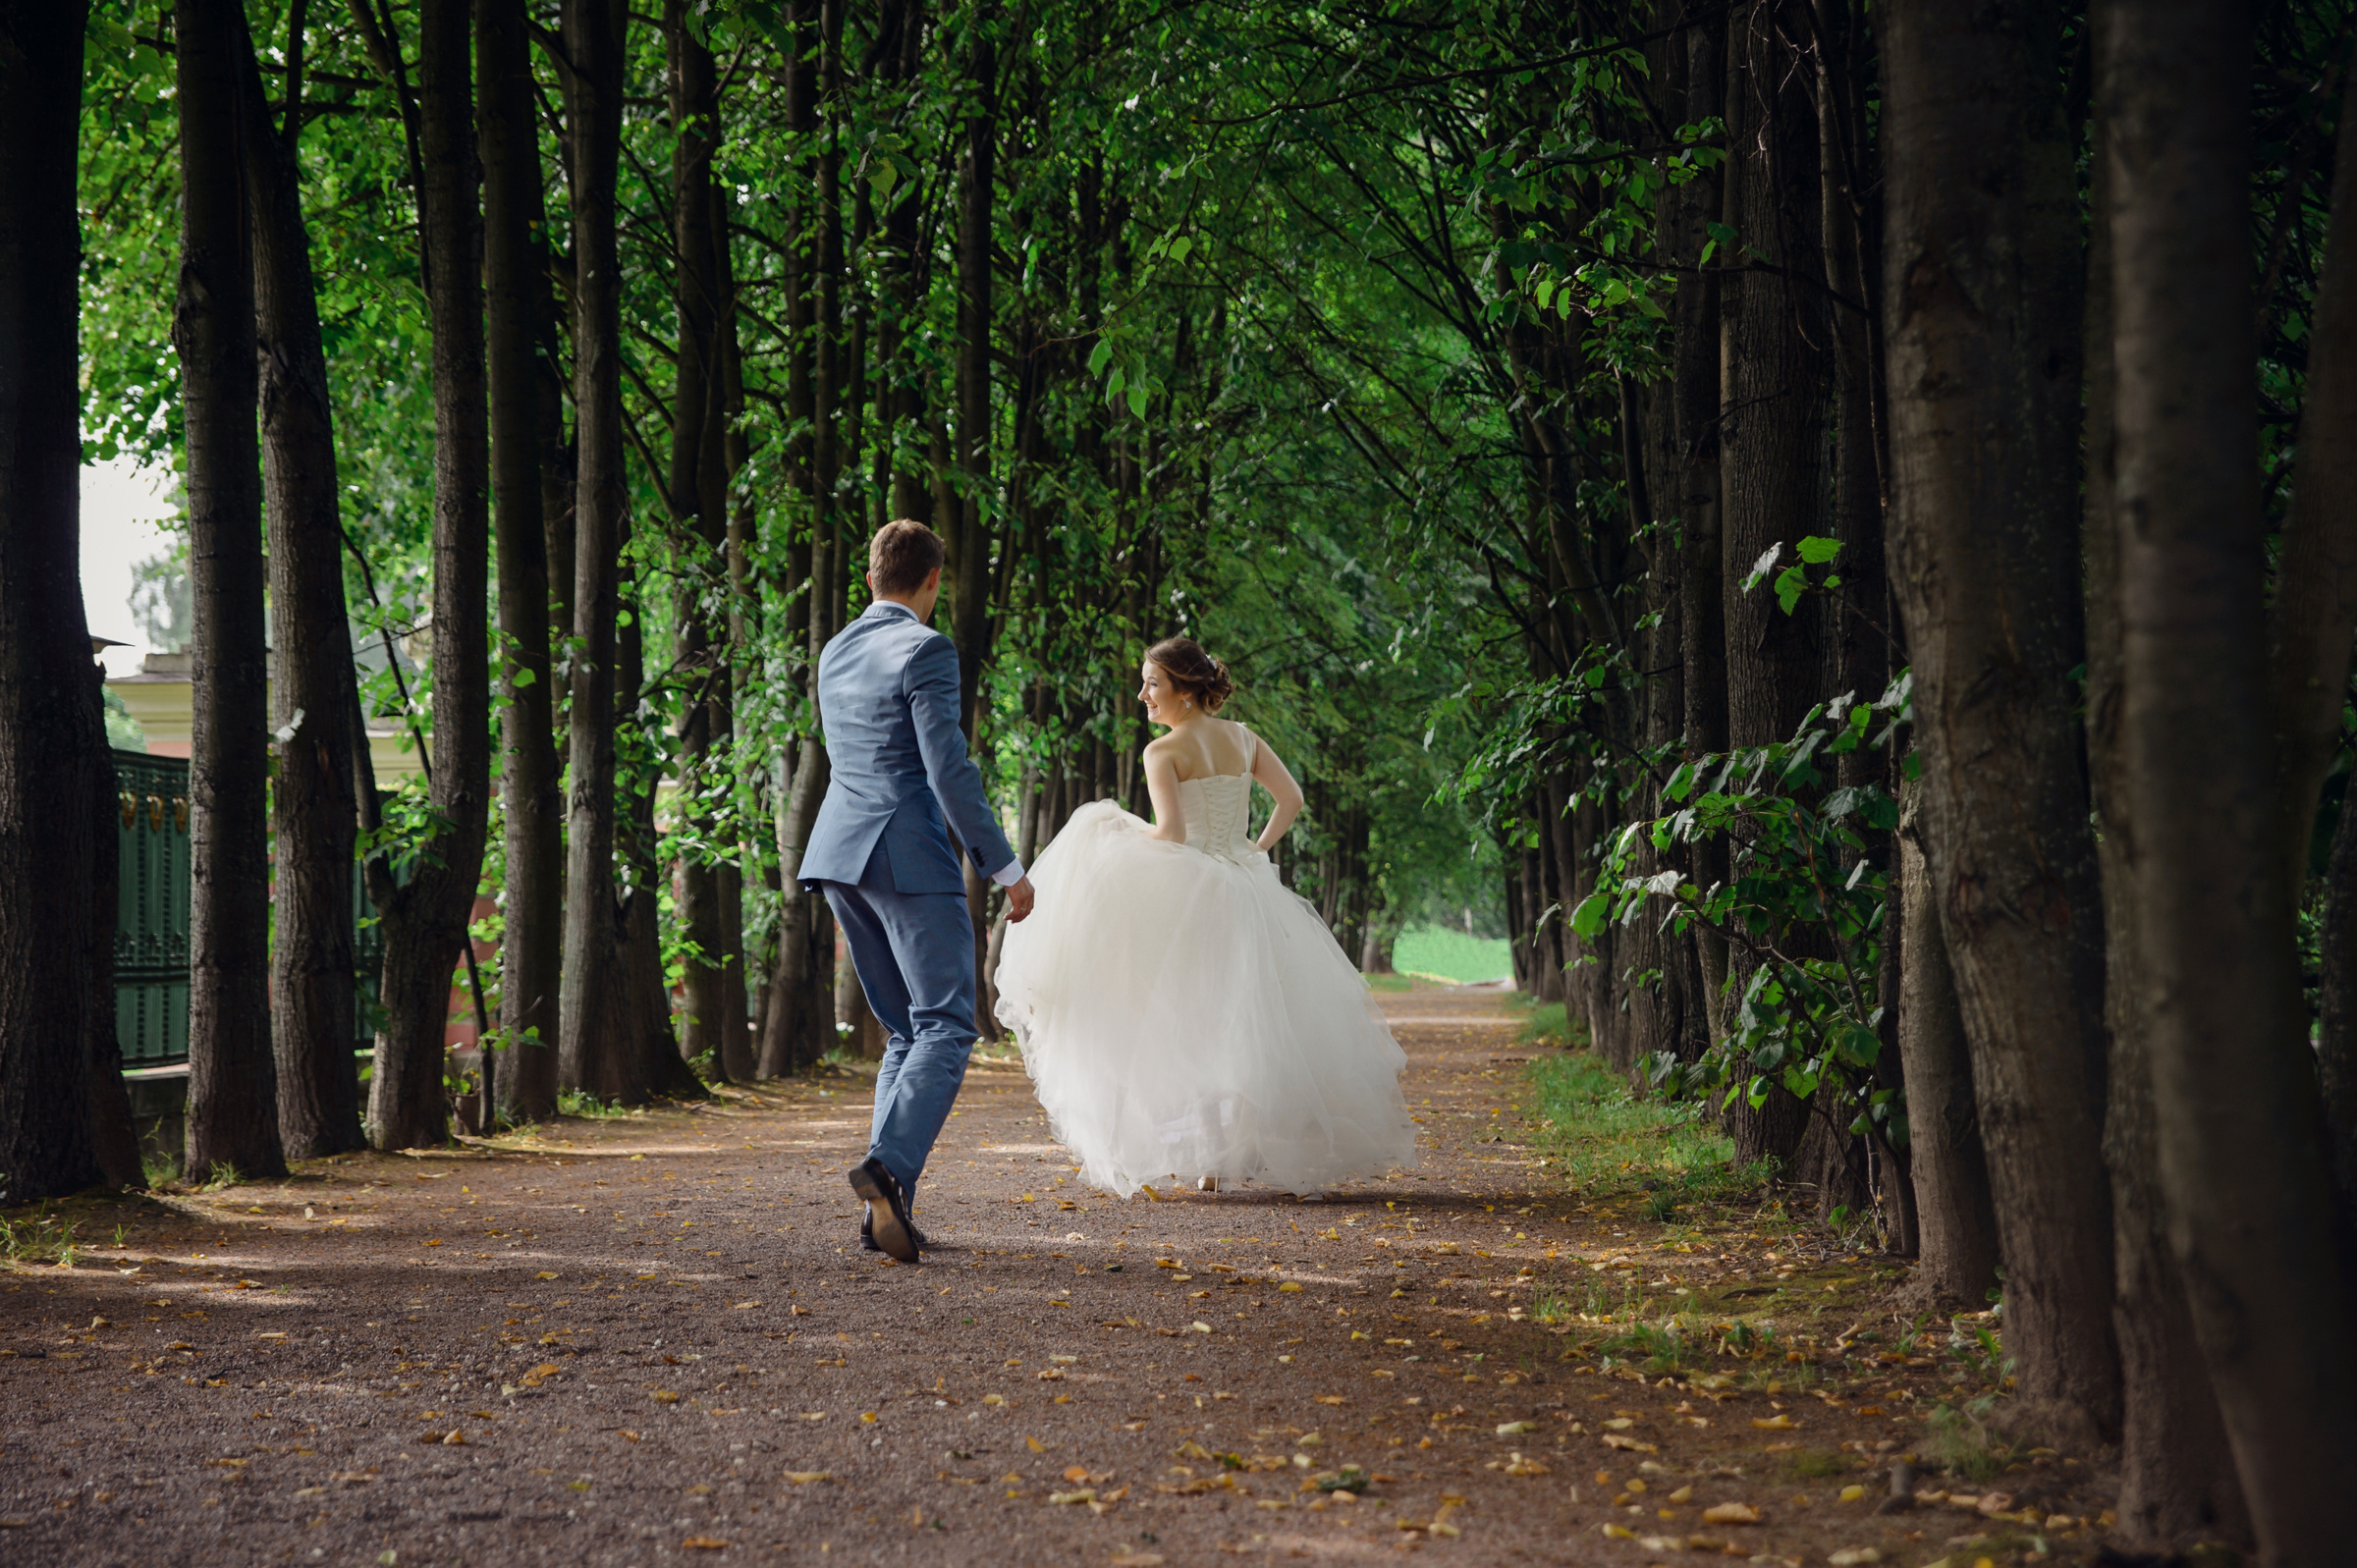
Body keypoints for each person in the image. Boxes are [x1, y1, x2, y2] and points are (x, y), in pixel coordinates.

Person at [993, 636, 1416, 1199]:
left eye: (1153, 684)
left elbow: (1169, 834)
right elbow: (1290, 800)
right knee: (1251, 1015)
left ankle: (1212, 1160)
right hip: (1248, 883)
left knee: (1195, 1016)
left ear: (1185, 691)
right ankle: (1231, 1153)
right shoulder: (1243, 737)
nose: (1143, 694)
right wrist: (1255, 850)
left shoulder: (1162, 752)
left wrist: (1121, 825)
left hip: (1195, 888)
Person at [800, 520, 1035, 1265]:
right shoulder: (927, 649)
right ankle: (888, 1166)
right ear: (933, 580)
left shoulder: (835, 648)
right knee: (946, 1025)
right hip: (906, 856)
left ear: (872, 578)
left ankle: (884, 1211)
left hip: (838, 854)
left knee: (906, 1029)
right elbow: (947, 769)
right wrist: (1004, 868)